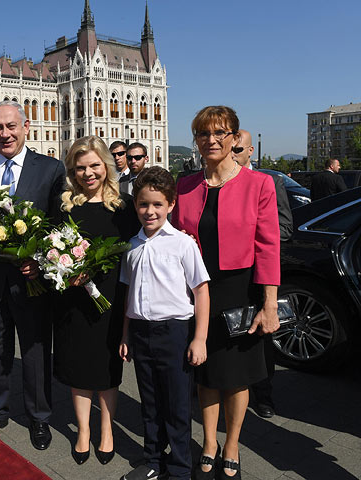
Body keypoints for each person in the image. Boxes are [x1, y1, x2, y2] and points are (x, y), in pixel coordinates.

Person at [171, 106, 280, 480]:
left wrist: (269, 304)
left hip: (240, 291)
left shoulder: (259, 184)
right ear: (196, 141)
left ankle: (231, 445)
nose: (212, 140)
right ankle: (209, 443)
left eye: (221, 133)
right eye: (204, 134)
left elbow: (268, 246)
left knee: (236, 375)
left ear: (235, 138)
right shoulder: (184, 186)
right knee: (205, 373)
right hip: (196, 291)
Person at [0, 100, 65, 449]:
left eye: (11, 127)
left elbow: (57, 223)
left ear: (26, 126)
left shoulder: (50, 169)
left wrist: (41, 260)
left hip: (31, 278)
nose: (4, 134)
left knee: (35, 351)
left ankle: (39, 418)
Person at [119, 166, 210, 480]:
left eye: (157, 204)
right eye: (143, 204)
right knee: (150, 401)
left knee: (177, 404)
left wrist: (199, 339)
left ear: (171, 204)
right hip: (141, 333)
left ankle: (182, 467)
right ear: (135, 205)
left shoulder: (183, 244)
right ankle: (153, 461)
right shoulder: (131, 246)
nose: (150, 211)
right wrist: (126, 335)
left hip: (174, 332)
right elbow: (129, 295)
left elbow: (201, 291)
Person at [53, 135, 139, 466]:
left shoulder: (124, 207)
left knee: (106, 367)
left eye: (94, 166)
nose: (88, 174)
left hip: (110, 301)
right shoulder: (64, 207)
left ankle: (106, 428)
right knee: (77, 366)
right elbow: (52, 250)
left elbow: (139, 248)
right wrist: (62, 269)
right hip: (73, 302)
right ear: (72, 172)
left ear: (106, 165)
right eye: (80, 168)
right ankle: (83, 431)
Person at [233, 129, 292, 419]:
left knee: (260, 339)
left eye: (239, 150)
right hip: (229, 275)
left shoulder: (271, 181)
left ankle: (263, 395)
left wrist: (249, 237)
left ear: (251, 151)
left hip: (259, 274)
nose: (234, 155)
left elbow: (284, 228)